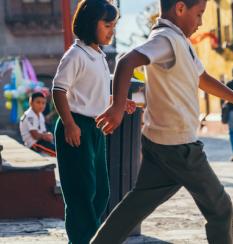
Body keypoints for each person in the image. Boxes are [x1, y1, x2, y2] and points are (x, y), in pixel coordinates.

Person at [92, 0, 233, 243]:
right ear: (180, 8)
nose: (201, 21)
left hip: (161, 143)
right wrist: (118, 106)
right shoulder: (166, 39)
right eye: (199, 14)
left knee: (134, 207)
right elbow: (126, 61)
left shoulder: (179, 40)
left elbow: (202, 79)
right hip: (179, 146)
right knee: (220, 209)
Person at [49, 2, 129, 243]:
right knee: (81, 193)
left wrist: (119, 103)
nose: (111, 31)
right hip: (76, 127)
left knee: (100, 192)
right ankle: (84, 239)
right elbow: (59, 90)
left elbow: (93, 94)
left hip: (95, 129)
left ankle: (90, 237)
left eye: (114, 26)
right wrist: (70, 124)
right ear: (88, 23)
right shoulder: (76, 54)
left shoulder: (98, 55)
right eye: (107, 25)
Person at [20, 92, 56, 156]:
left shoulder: (40, 114)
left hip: (40, 142)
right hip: (33, 144)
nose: (41, 105)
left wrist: (48, 135)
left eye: (43, 103)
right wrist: (45, 136)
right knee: (58, 153)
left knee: (58, 148)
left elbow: (43, 131)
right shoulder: (29, 115)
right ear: (31, 103)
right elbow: (35, 136)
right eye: (38, 102)